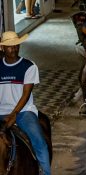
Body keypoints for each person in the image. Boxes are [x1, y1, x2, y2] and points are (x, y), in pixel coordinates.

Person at [0, 31, 51, 175]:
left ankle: (45, 172)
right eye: (10, 46)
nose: (14, 49)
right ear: (2, 48)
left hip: (23, 111)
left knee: (40, 143)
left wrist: (14, 114)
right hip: (1, 111)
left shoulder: (29, 66)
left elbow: (25, 94)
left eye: (16, 45)